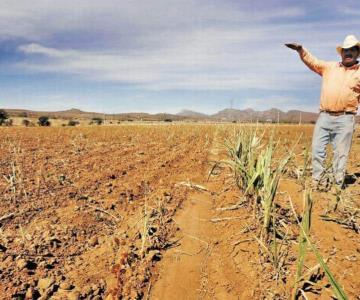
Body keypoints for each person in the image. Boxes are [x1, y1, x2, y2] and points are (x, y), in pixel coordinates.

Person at [286, 35, 360, 188]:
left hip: (346, 118)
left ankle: (336, 184)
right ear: (341, 53)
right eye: (346, 50)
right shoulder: (329, 67)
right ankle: (318, 181)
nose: (348, 53)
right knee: (317, 150)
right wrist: (301, 50)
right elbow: (313, 61)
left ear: (357, 53)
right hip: (325, 117)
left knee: (341, 154)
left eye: (352, 50)